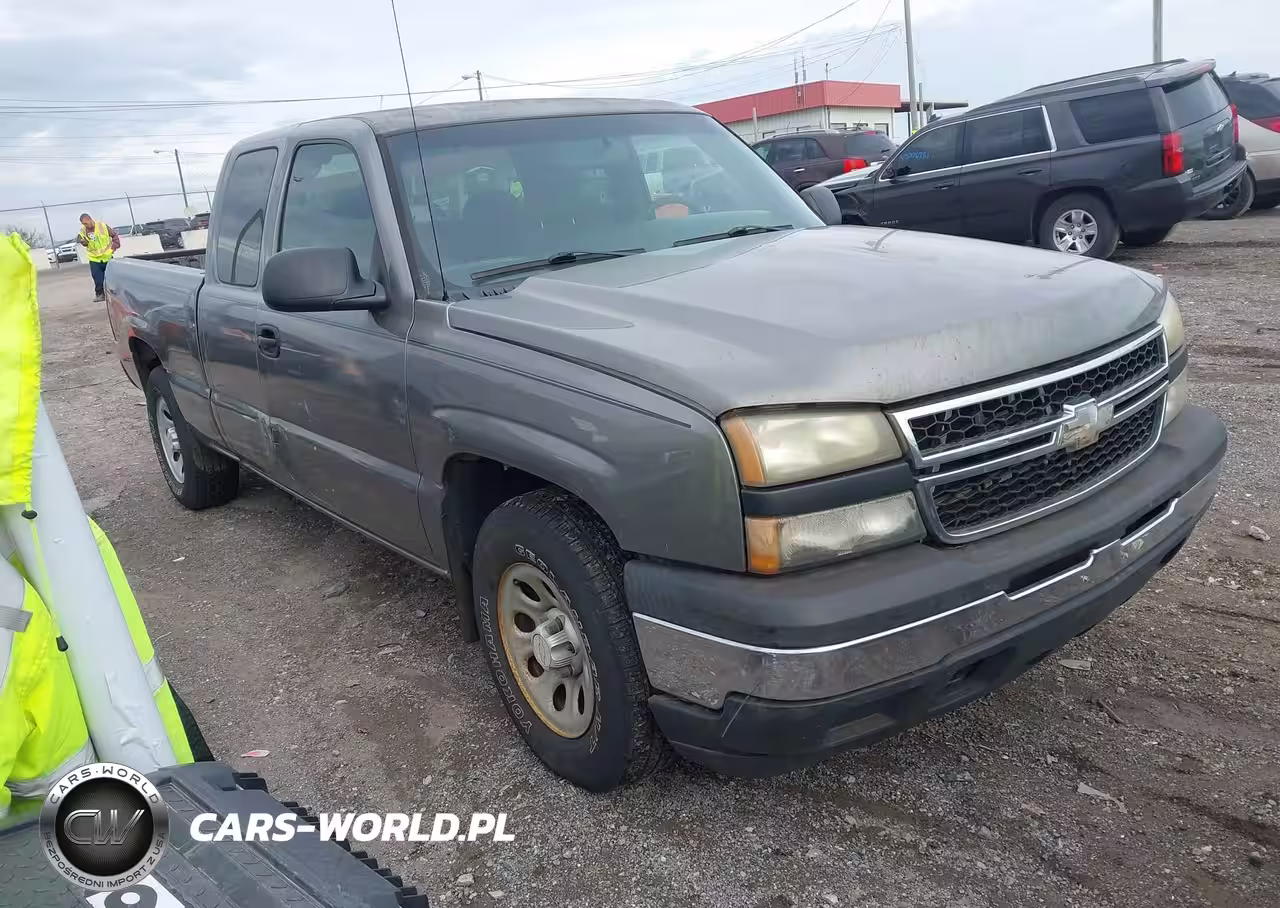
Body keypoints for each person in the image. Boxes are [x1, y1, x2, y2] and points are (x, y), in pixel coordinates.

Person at [75, 212, 120, 301]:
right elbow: (79, 239)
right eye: (83, 224)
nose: (85, 225)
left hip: (106, 257)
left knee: (111, 277)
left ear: (90, 219)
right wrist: (83, 242)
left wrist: (115, 246)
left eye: (85, 223)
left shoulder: (102, 226)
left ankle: (115, 294)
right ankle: (100, 294)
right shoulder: (83, 231)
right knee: (97, 278)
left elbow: (114, 235)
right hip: (94, 258)